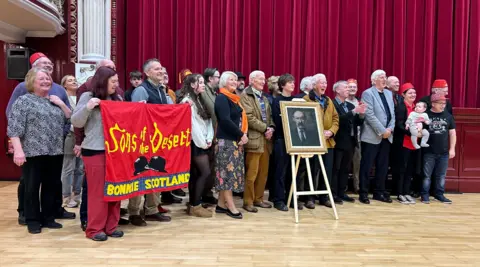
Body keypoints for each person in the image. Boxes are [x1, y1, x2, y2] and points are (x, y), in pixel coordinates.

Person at [6, 52, 75, 225]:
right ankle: (32, 219)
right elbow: (14, 127)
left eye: (47, 80)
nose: (46, 81)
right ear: (32, 82)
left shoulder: (55, 98)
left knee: (51, 185)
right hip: (33, 151)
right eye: (41, 79)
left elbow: (70, 117)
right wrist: (18, 150)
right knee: (31, 186)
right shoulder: (24, 100)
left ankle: (48, 217)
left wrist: (60, 103)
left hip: (55, 150)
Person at [71, 66, 124, 241]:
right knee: (97, 191)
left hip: (116, 150)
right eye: (113, 81)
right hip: (95, 150)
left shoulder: (117, 98)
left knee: (115, 189)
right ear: (103, 81)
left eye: (117, 81)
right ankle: (94, 229)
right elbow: (76, 122)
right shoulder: (87, 96)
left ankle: (111, 226)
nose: (116, 85)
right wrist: (87, 107)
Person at [129, 58, 173, 224]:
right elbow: (135, 116)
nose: (161, 71)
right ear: (147, 73)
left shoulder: (162, 90)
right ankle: (134, 212)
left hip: (158, 141)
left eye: (161, 68)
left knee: (155, 174)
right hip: (143, 141)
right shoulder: (141, 90)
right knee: (140, 175)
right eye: (157, 69)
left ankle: (152, 209)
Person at [178, 74, 214, 217]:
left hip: (204, 140)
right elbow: (192, 126)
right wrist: (202, 142)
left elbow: (207, 121)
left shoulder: (199, 99)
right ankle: (195, 205)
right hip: (196, 142)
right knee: (203, 172)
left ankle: (194, 202)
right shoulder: (188, 100)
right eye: (200, 82)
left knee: (197, 173)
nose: (203, 85)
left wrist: (209, 137)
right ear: (192, 85)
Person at [214, 71, 248, 219]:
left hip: (234, 141)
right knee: (227, 176)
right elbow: (225, 121)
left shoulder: (234, 99)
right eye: (231, 80)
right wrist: (241, 134)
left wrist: (242, 135)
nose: (234, 82)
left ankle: (221, 204)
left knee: (230, 174)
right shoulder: (222, 98)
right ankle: (231, 206)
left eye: (236, 80)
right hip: (226, 142)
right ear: (223, 82)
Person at [358, 70, 395, 204]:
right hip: (371, 136)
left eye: (385, 77)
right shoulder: (367, 93)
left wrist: (390, 129)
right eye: (381, 77)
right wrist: (382, 130)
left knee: (383, 166)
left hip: (387, 136)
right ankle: (363, 193)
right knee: (367, 166)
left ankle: (379, 192)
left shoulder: (389, 93)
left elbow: (392, 114)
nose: (384, 79)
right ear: (373, 80)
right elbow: (369, 114)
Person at [240, 70, 275, 213]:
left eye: (264, 79)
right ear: (252, 80)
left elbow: (270, 116)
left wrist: (271, 128)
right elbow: (248, 116)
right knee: (251, 173)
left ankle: (259, 199)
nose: (263, 82)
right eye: (260, 79)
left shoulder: (264, 98)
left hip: (266, 141)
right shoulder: (245, 96)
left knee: (263, 173)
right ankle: (248, 201)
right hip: (254, 140)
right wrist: (265, 128)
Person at [303, 73, 339, 208]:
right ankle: (309, 198)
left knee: (327, 171)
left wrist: (331, 131)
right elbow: (304, 121)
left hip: (328, 142)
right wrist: (318, 132)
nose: (324, 85)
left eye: (325, 83)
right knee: (312, 170)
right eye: (321, 83)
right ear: (314, 85)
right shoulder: (306, 99)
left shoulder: (328, 100)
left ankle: (325, 197)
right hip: (313, 142)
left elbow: (336, 118)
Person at [331, 80, 366, 204]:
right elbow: (338, 120)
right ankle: (333, 193)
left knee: (346, 169)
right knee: (336, 168)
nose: (348, 89)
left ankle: (342, 192)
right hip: (338, 141)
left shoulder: (350, 105)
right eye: (345, 87)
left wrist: (361, 114)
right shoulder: (333, 104)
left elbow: (358, 123)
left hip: (351, 141)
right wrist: (353, 112)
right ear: (337, 90)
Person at [421, 93, 456, 204]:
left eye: (444, 103)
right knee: (426, 175)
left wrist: (452, 149)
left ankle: (439, 194)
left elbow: (452, 133)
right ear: (433, 103)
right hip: (429, 151)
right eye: (440, 103)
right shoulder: (425, 115)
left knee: (441, 176)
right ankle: (424, 195)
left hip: (444, 152)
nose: (443, 105)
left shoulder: (448, 116)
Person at [392, 83, 422, 204]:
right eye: (410, 93)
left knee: (410, 169)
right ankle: (400, 193)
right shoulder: (401, 107)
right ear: (403, 95)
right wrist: (412, 133)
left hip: (414, 143)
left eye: (414, 93)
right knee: (401, 169)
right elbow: (399, 125)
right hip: (403, 143)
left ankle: (406, 192)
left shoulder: (416, 108)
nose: (413, 95)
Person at [60, 75, 84, 208]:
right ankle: (66, 196)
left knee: (80, 168)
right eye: (70, 80)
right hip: (70, 135)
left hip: (82, 136)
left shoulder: (81, 97)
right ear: (64, 85)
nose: (74, 81)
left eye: (75, 80)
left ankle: (77, 194)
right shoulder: (63, 99)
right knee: (68, 167)